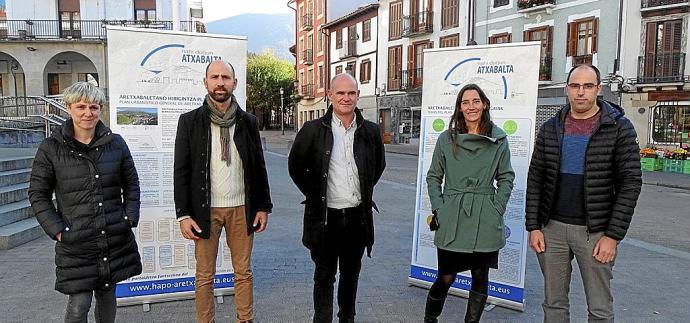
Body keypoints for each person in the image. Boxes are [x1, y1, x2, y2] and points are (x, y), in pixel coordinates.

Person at [526, 64, 642, 322]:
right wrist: (534, 226)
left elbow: (631, 183)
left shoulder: (619, 128)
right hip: (552, 230)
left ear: (598, 89)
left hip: (596, 233)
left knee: (599, 309)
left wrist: (612, 236)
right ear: (567, 89)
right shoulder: (550, 128)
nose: (581, 92)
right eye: (575, 86)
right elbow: (536, 179)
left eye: (588, 86)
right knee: (554, 305)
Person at [28, 82, 142, 323]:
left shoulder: (116, 143)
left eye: (93, 107)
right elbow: (38, 194)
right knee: (80, 304)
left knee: (107, 297)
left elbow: (131, 184)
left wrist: (128, 217)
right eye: (81, 106)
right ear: (69, 107)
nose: (87, 113)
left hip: (112, 237)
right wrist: (58, 231)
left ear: (100, 109)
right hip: (76, 241)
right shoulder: (51, 148)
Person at [174, 60, 272, 323]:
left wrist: (263, 206)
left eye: (226, 77)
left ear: (234, 83)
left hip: (242, 208)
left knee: (243, 272)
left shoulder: (248, 121)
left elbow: (258, 166)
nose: (220, 82)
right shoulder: (189, 122)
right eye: (215, 77)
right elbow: (181, 170)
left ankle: (245, 319)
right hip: (205, 209)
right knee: (205, 275)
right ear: (205, 82)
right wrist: (183, 214)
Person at [288, 73, 385, 323]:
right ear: (330, 95)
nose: (346, 98)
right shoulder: (312, 130)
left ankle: (347, 319)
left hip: (356, 217)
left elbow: (377, 167)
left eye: (351, 93)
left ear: (357, 96)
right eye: (340, 93)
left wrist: (361, 190)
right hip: (324, 218)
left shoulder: (371, 131)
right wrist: (316, 194)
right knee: (324, 276)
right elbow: (296, 167)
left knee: (351, 274)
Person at [423, 83, 515, 323]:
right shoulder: (447, 139)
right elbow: (434, 176)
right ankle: (430, 319)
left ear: (484, 104)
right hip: (452, 213)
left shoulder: (498, 139)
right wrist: (440, 208)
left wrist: (497, 208)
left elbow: (506, 176)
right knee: (446, 276)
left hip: (485, 214)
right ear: (459, 107)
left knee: (480, 275)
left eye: (476, 101)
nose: (471, 106)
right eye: (465, 102)